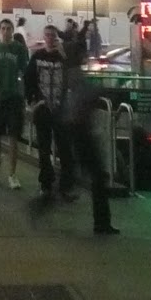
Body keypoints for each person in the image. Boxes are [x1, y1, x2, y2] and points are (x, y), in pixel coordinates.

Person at [63, 42, 117, 235]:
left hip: (76, 130)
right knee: (98, 176)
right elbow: (84, 95)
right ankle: (102, 222)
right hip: (81, 131)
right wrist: (101, 91)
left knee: (87, 174)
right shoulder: (75, 74)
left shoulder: (70, 73)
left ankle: (102, 222)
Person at [0, 18, 29, 189]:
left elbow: (24, 71)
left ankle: (12, 174)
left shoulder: (19, 49)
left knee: (13, 137)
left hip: (14, 98)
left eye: (8, 28)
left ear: (12, 31)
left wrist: (24, 96)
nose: (5, 31)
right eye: (3, 28)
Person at [25, 25, 67, 201]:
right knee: (43, 147)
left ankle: (64, 185)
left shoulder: (62, 58)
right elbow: (29, 79)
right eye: (47, 35)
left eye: (52, 35)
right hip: (42, 108)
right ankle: (46, 183)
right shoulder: (37, 57)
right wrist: (33, 100)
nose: (50, 38)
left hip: (60, 109)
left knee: (63, 148)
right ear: (44, 37)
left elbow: (69, 79)